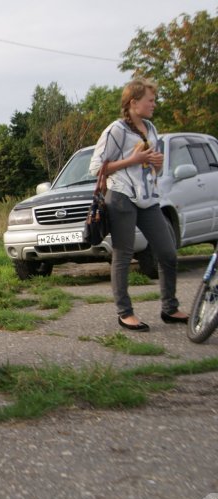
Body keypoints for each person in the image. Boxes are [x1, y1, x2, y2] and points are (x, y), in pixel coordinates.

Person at [89, 77, 188, 332]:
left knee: (167, 252)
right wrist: (132, 159)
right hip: (121, 197)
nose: (154, 104)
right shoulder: (116, 130)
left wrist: (155, 163)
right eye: (150, 100)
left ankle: (170, 308)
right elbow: (96, 168)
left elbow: (152, 166)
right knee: (123, 254)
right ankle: (125, 313)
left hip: (148, 198)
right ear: (134, 103)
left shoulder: (151, 129)